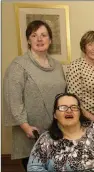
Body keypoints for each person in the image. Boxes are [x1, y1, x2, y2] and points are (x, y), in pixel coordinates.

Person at [3, 20, 66, 170]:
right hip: (31, 133)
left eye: (44, 35)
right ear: (28, 40)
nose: (39, 39)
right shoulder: (19, 65)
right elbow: (13, 99)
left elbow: (64, 95)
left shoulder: (57, 66)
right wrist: (26, 127)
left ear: (50, 40)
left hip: (57, 130)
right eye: (34, 35)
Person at [27, 93, 94, 171]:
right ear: (55, 115)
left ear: (79, 112)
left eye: (74, 107)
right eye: (63, 107)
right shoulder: (46, 139)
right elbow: (34, 168)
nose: (69, 111)